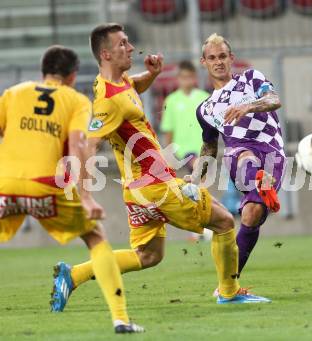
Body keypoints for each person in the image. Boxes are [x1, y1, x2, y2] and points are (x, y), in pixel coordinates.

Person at [53, 23, 270, 309]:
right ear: (106, 54)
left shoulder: (116, 82)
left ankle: (74, 274)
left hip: (137, 191)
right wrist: (84, 195)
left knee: (149, 256)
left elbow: (132, 90)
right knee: (225, 222)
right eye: (123, 44)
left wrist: (152, 75)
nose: (130, 48)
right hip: (157, 186)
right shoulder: (108, 101)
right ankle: (229, 292)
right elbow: (89, 146)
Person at [0, 45, 143, 334]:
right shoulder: (76, 100)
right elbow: (79, 146)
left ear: (43, 71)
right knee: (95, 238)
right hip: (46, 187)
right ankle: (120, 319)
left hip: (7, 184)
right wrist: (87, 197)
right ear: (73, 75)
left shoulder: (13, 93)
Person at [191, 33, 285, 292]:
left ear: (231, 58)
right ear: (204, 62)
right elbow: (210, 145)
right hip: (240, 153)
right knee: (241, 154)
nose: (218, 62)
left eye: (222, 56)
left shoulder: (252, 79)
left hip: (272, 151)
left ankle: (227, 284)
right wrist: (198, 178)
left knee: (251, 214)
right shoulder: (206, 109)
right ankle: (258, 177)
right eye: (212, 58)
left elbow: (274, 100)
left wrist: (248, 107)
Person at [160, 60, 209, 172]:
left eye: (189, 77)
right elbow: (168, 129)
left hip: (204, 148)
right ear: (178, 78)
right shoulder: (171, 100)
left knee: (198, 183)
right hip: (183, 150)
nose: (186, 80)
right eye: (183, 77)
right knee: (197, 172)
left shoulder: (205, 98)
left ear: (195, 77)